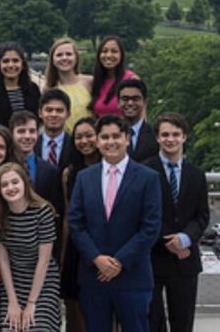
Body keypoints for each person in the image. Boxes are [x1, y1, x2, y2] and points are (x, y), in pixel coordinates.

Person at [67, 114, 162, 332]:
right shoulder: (84, 177)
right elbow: (76, 223)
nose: (111, 142)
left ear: (127, 138)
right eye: (105, 137)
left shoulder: (148, 177)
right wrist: (96, 258)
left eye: (116, 136)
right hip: (94, 277)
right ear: (98, 141)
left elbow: (151, 227)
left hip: (133, 277)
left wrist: (119, 261)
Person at [145, 113, 209, 332]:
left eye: (175, 134)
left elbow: (202, 216)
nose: (170, 139)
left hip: (185, 260)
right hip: (153, 258)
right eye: (165, 135)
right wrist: (169, 241)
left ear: (184, 137)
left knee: (183, 323)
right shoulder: (144, 171)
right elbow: (143, 214)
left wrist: (184, 239)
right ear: (157, 138)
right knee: (153, 323)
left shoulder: (197, 174)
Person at [0, 162, 61, 332]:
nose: (11, 188)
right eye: (5, 184)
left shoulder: (42, 212)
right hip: (13, 282)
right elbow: (3, 260)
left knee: (36, 327)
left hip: (42, 282)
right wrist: (12, 301)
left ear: (25, 183)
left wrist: (31, 304)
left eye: (15, 182)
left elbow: (43, 262)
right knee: (10, 327)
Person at [59, 117, 101, 332]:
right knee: (75, 313)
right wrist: (64, 257)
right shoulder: (69, 173)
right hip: (78, 247)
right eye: (79, 137)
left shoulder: (110, 169)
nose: (84, 141)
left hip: (104, 245)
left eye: (89, 135)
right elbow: (68, 217)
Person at [9, 110, 64, 222]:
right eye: (21, 131)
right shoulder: (3, 166)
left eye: (32, 131)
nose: (27, 136)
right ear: (11, 134)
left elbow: (55, 212)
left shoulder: (50, 171)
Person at [0, 42, 40, 132]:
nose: (11, 65)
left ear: (22, 64)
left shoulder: (33, 90)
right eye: (6, 61)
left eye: (15, 60)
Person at [43, 38, 92, 131]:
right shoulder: (49, 89)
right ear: (52, 60)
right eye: (59, 55)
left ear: (76, 57)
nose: (64, 58)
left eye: (68, 54)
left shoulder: (89, 82)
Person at [89, 35, 137, 118]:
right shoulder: (96, 82)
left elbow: (141, 115)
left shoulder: (131, 80)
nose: (108, 55)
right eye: (104, 51)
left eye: (114, 51)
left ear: (121, 55)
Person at [35, 88, 77, 171]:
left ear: (68, 114)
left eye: (59, 110)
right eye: (49, 110)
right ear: (40, 113)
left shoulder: (75, 145)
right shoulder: (32, 144)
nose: (54, 114)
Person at [117, 79, 159, 162]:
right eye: (125, 99)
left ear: (144, 102)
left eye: (135, 99)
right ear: (118, 102)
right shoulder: (109, 136)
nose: (130, 103)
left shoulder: (156, 136)